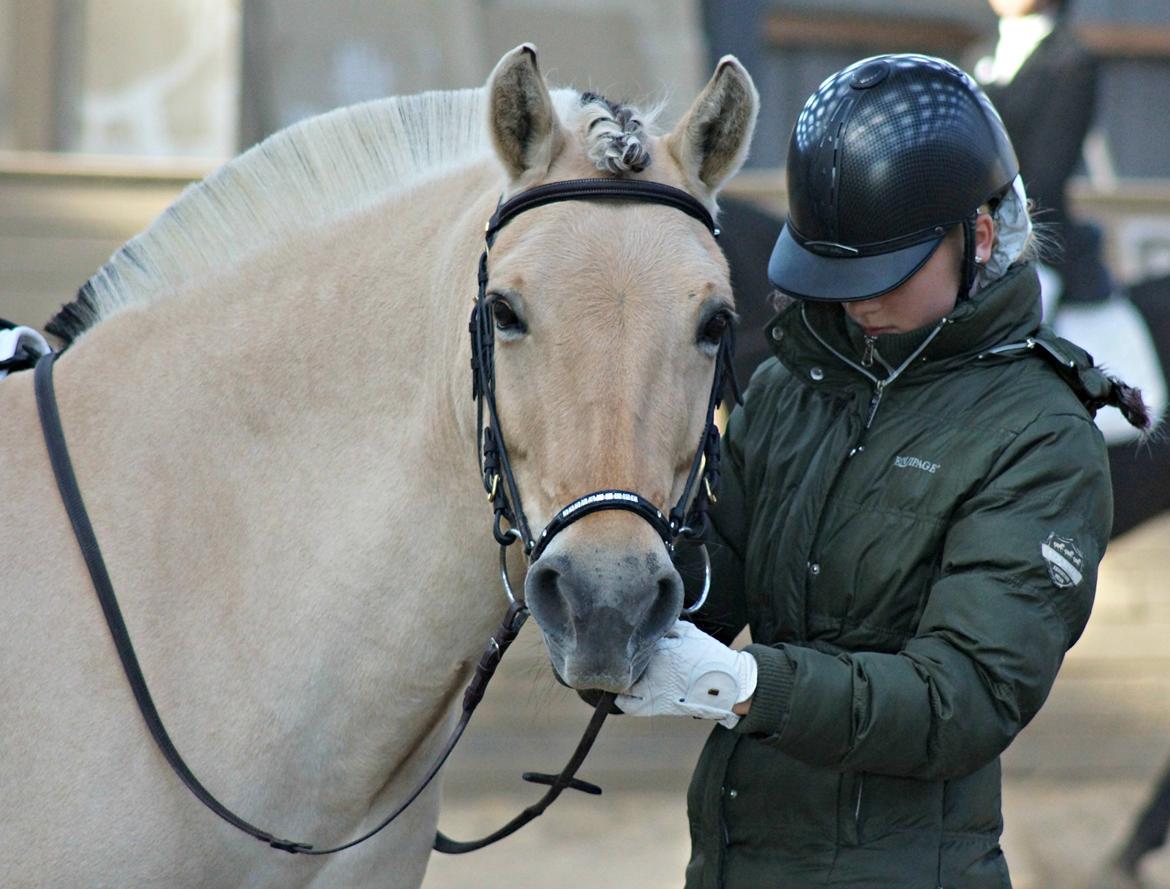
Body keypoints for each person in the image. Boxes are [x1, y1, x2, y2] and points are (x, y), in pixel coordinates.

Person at [614, 54, 1150, 888]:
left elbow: (962, 697)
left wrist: (752, 683)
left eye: (883, 273)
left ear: (976, 234)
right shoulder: (791, 385)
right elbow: (714, 585)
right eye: (834, 273)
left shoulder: (1040, 435)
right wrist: (622, 576)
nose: (855, 302)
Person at [972, 0, 1111, 308]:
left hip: (1037, 233)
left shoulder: (1072, 61)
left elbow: (1047, 173)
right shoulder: (978, 55)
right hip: (974, 227)